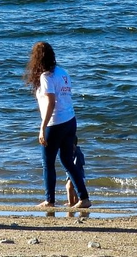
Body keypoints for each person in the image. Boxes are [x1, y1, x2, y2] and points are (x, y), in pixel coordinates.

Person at [24, 41, 91, 209]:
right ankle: (84, 198)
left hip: (55, 123)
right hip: (70, 120)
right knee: (67, 161)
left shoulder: (46, 76)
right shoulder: (63, 72)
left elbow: (51, 102)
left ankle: (50, 200)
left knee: (48, 163)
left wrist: (42, 127)